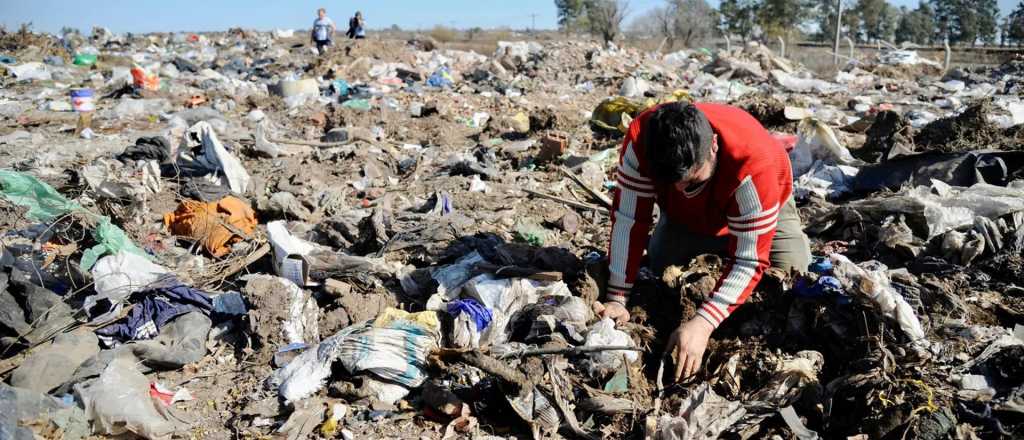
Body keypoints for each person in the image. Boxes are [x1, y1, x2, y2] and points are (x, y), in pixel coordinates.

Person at [596, 102, 811, 382]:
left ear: (714, 147)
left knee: (793, 276)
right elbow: (628, 219)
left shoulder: (754, 165)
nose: (681, 191)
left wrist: (703, 323)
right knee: (661, 263)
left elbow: (749, 258)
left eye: (692, 183)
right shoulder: (641, 143)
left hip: (757, 203)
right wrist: (617, 297)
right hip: (687, 219)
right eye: (670, 183)